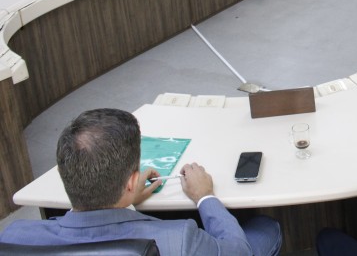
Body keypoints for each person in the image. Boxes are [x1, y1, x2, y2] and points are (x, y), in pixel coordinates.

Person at [0, 108, 281, 255]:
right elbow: (238, 251)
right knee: (265, 229)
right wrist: (205, 197)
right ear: (132, 181)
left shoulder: (13, 238)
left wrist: (126, 198)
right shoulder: (180, 240)